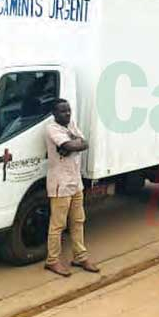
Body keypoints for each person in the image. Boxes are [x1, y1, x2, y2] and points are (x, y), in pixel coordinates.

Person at [43, 99, 99, 277]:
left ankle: (80, 257)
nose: (67, 114)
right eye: (62, 112)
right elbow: (68, 145)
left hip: (75, 181)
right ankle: (52, 261)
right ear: (54, 113)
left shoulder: (71, 124)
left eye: (68, 111)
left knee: (78, 221)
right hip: (61, 183)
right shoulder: (52, 128)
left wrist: (74, 145)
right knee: (58, 224)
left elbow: (85, 143)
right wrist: (72, 144)